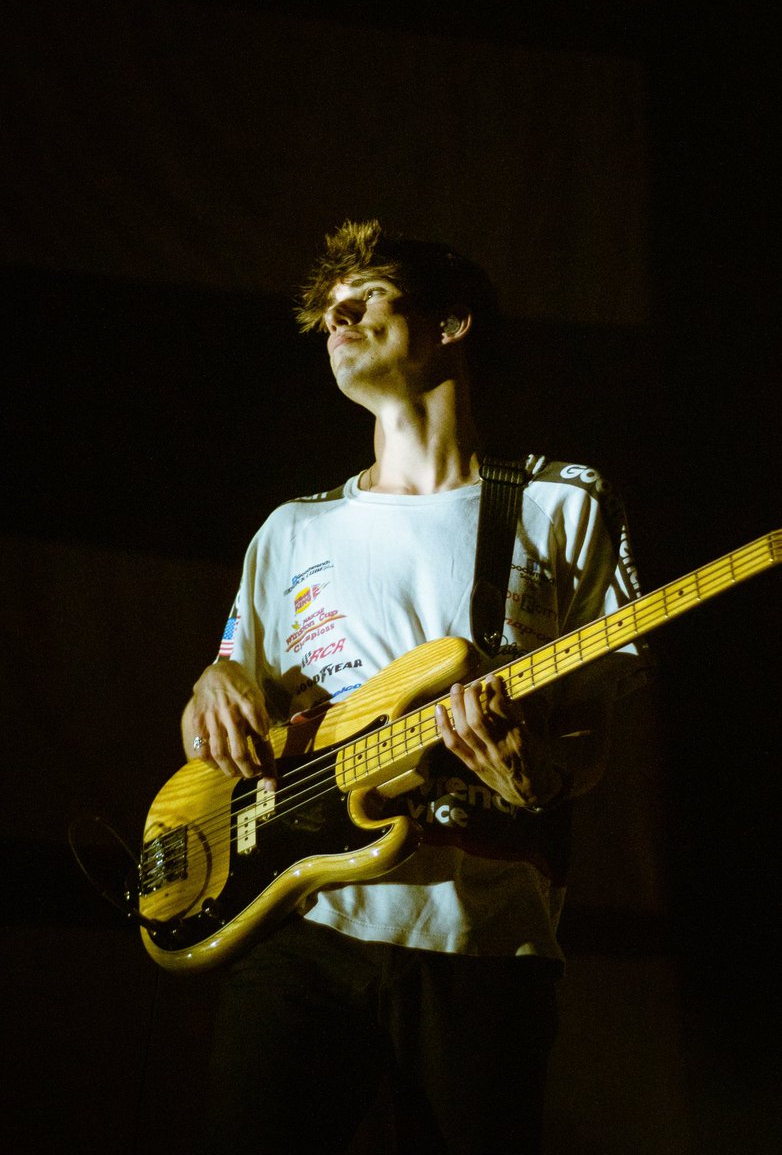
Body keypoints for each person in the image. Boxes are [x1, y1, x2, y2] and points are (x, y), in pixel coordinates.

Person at [182, 219, 647, 1154]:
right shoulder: (288, 532)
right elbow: (239, 687)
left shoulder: (565, 503)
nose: (335, 318)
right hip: (304, 923)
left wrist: (541, 777)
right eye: (325, 312)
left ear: (454, 321)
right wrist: (215, 677)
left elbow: (594, 729)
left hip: (481, 937)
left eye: (368, 295)